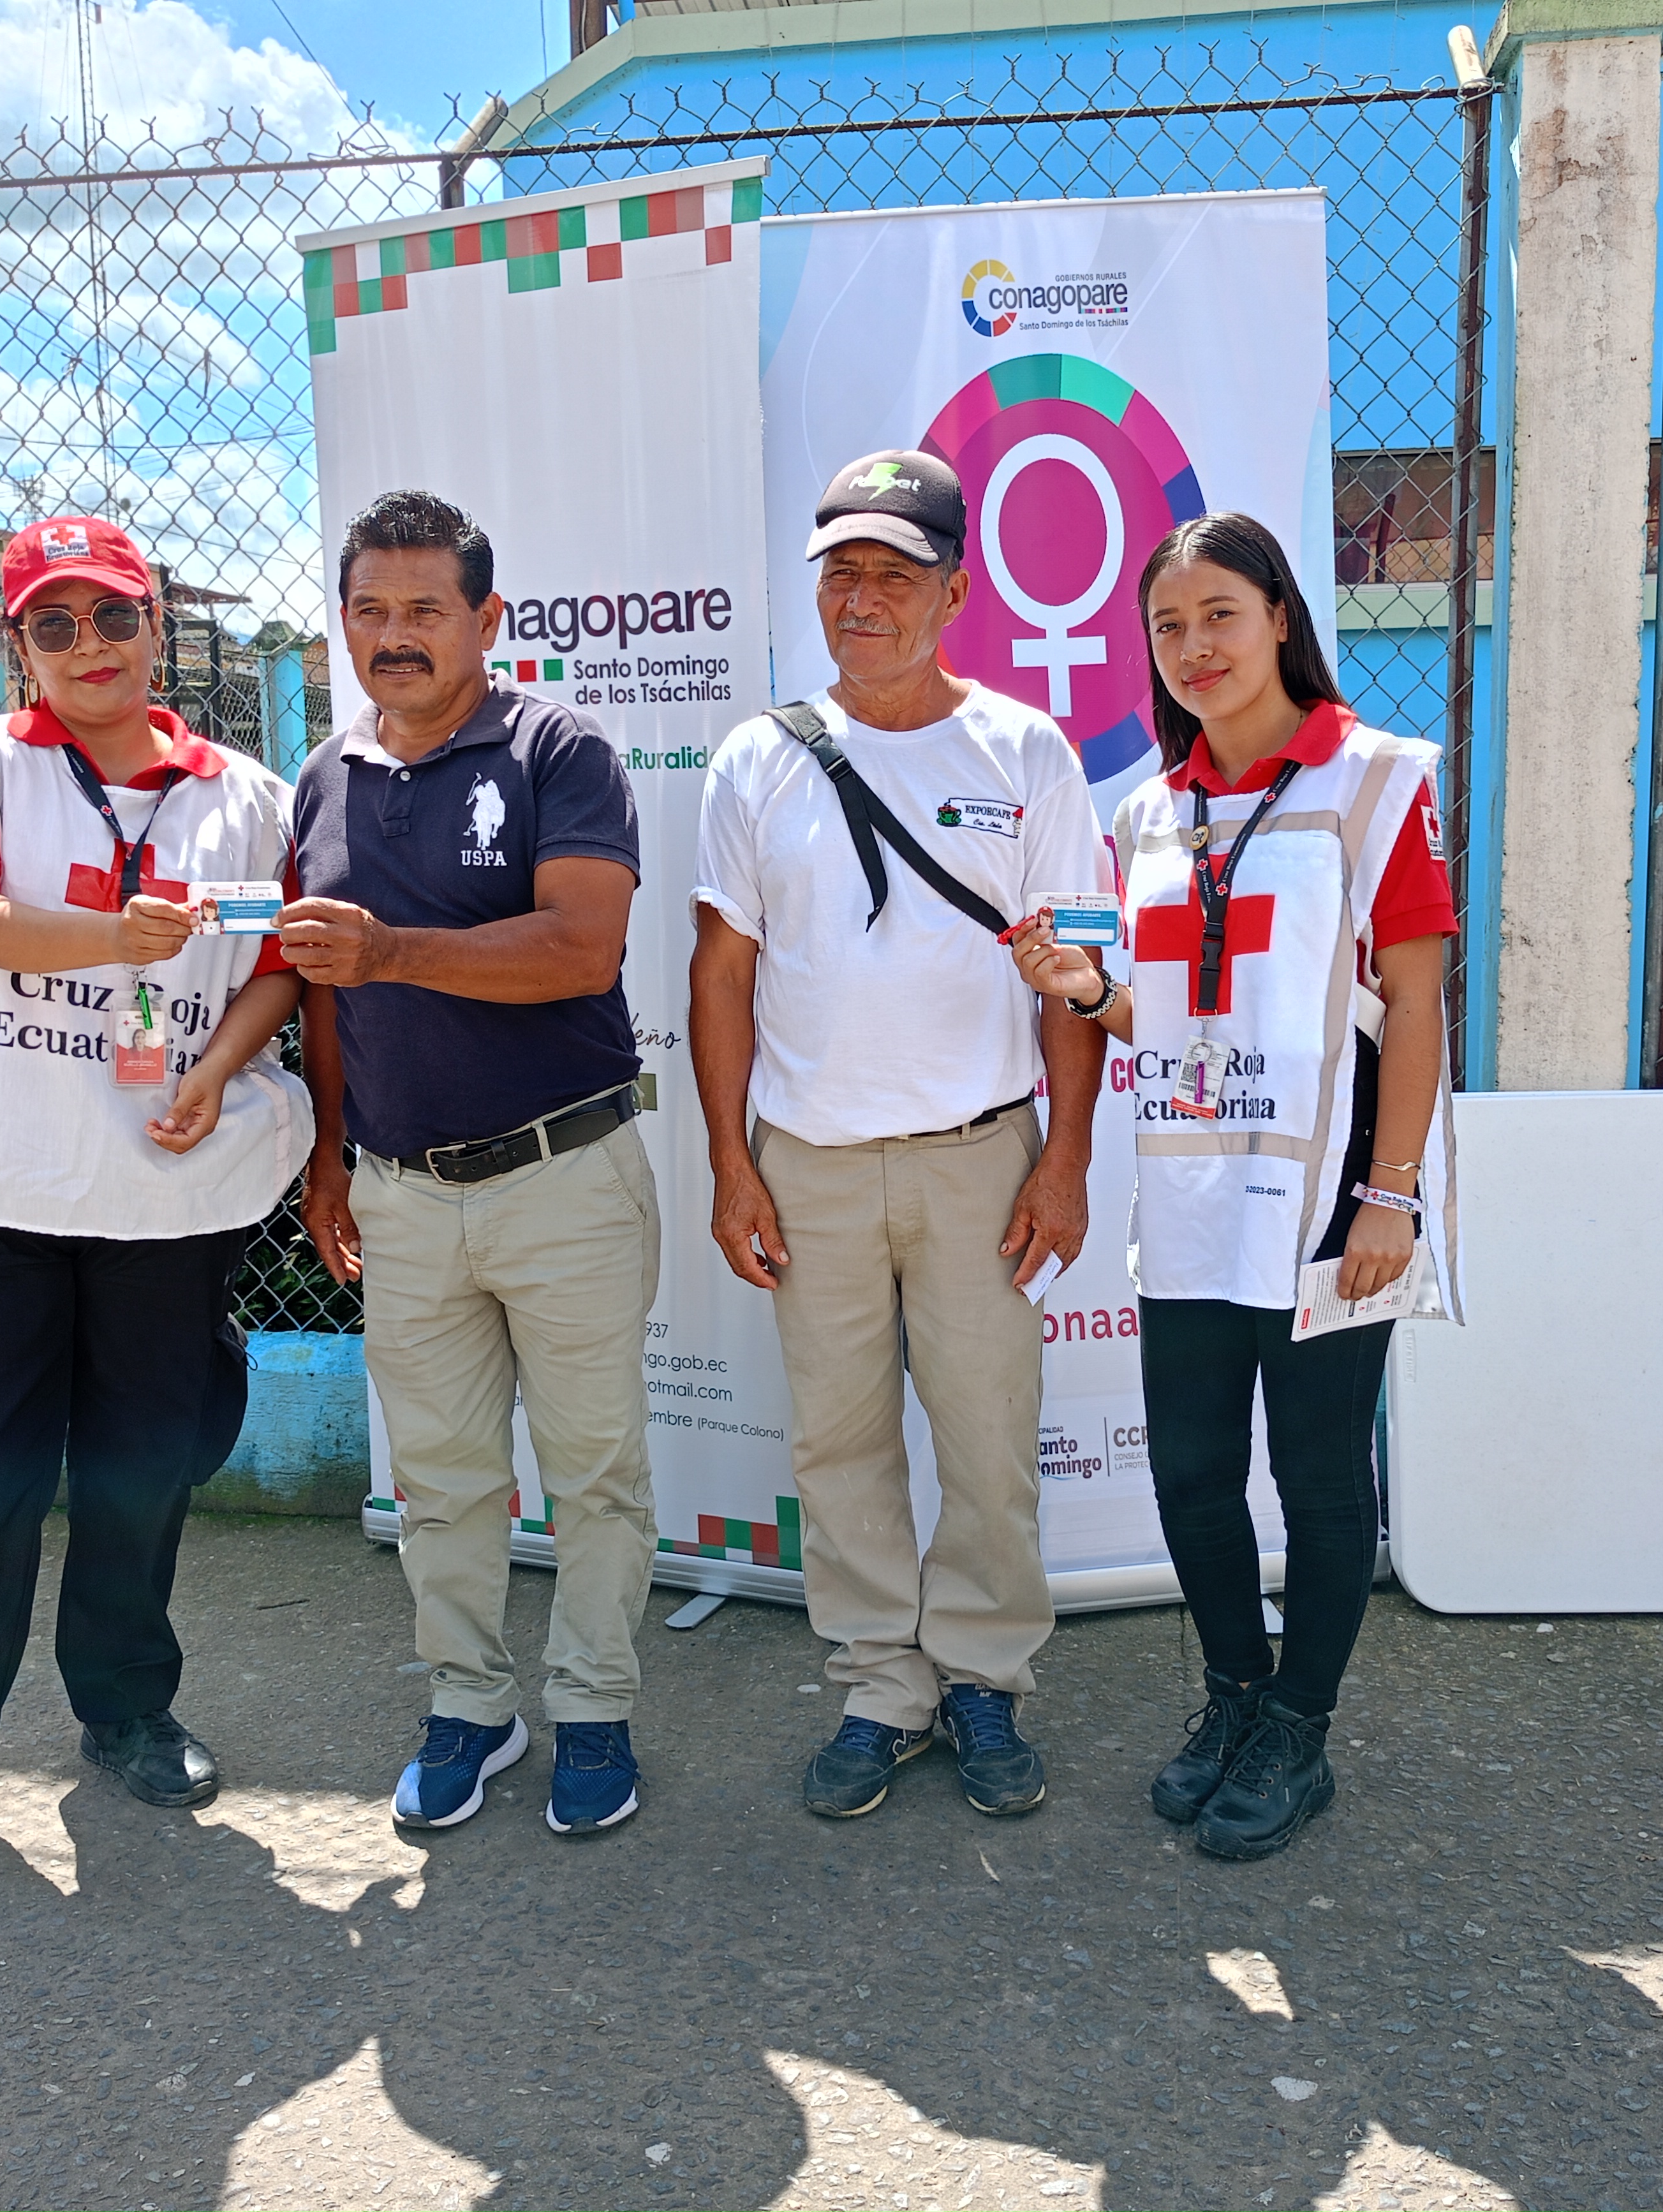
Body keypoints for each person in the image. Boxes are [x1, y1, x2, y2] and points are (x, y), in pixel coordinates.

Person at [0, 514, 313, 1902]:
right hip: (0, 1175)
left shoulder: (245, 796)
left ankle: (126, 1709)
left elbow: (276, 962)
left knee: (141, 1465)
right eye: (54, 623)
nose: (87, 645)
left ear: (156, 627)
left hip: (165, 1181)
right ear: (18, 644)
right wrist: (116, 937)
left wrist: (215, 1072)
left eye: (112, 616)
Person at [1005, 511, 1460, 1862]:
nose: (1195, 646)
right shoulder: (1148, 815)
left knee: (1318, 1476)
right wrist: (1084, 989)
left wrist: (1392, 1198)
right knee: (1193, 1470)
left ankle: (1299, 1732)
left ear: (1278, 619)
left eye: (1220, 615)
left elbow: (1417, 1003)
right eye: (1167, 626)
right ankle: (1235, 1699)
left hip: (1330, 1192)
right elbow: (1169, 1018)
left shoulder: (1376, 780)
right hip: (1195, 1194)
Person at [690, 449, 1109, 1822]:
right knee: (840, 1444)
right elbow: (721, 972)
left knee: (989, 1438)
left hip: (980, 1155)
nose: (861, 601)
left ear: (954, 593)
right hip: (806, 1161)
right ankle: (882, 1684)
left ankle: (982, 1677)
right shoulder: (759, 758)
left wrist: (1064, 1159)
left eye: (893, 575)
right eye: (841, 575)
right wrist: (731, 1163)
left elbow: (1070, 977)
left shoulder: (1025, 752)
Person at [279, 489, 658, 1840]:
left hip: (564, 1172)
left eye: (425, 610)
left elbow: (582, 949)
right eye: (369, 609)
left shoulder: (559, 750)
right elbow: (323, 992)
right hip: (399, 1190)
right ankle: (470, 1706)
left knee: (594, 1468)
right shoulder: (323, 779)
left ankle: (596, 1712)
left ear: (486, 619)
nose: (395, 635)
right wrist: (329, 1155)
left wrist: (388, 949)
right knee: (437, 1477)